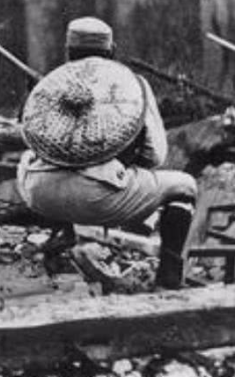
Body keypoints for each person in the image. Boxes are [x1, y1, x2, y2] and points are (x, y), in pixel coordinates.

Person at [16, 17, 198, 289]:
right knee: (185, 186)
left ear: (68, 51)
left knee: (29, 162)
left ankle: (62, 234)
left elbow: (28, 136)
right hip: (98, 200)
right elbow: (155, 156)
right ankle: (169, 274)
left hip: (39, 192)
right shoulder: (134, 85)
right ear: (112, 51)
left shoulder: (52, 85)